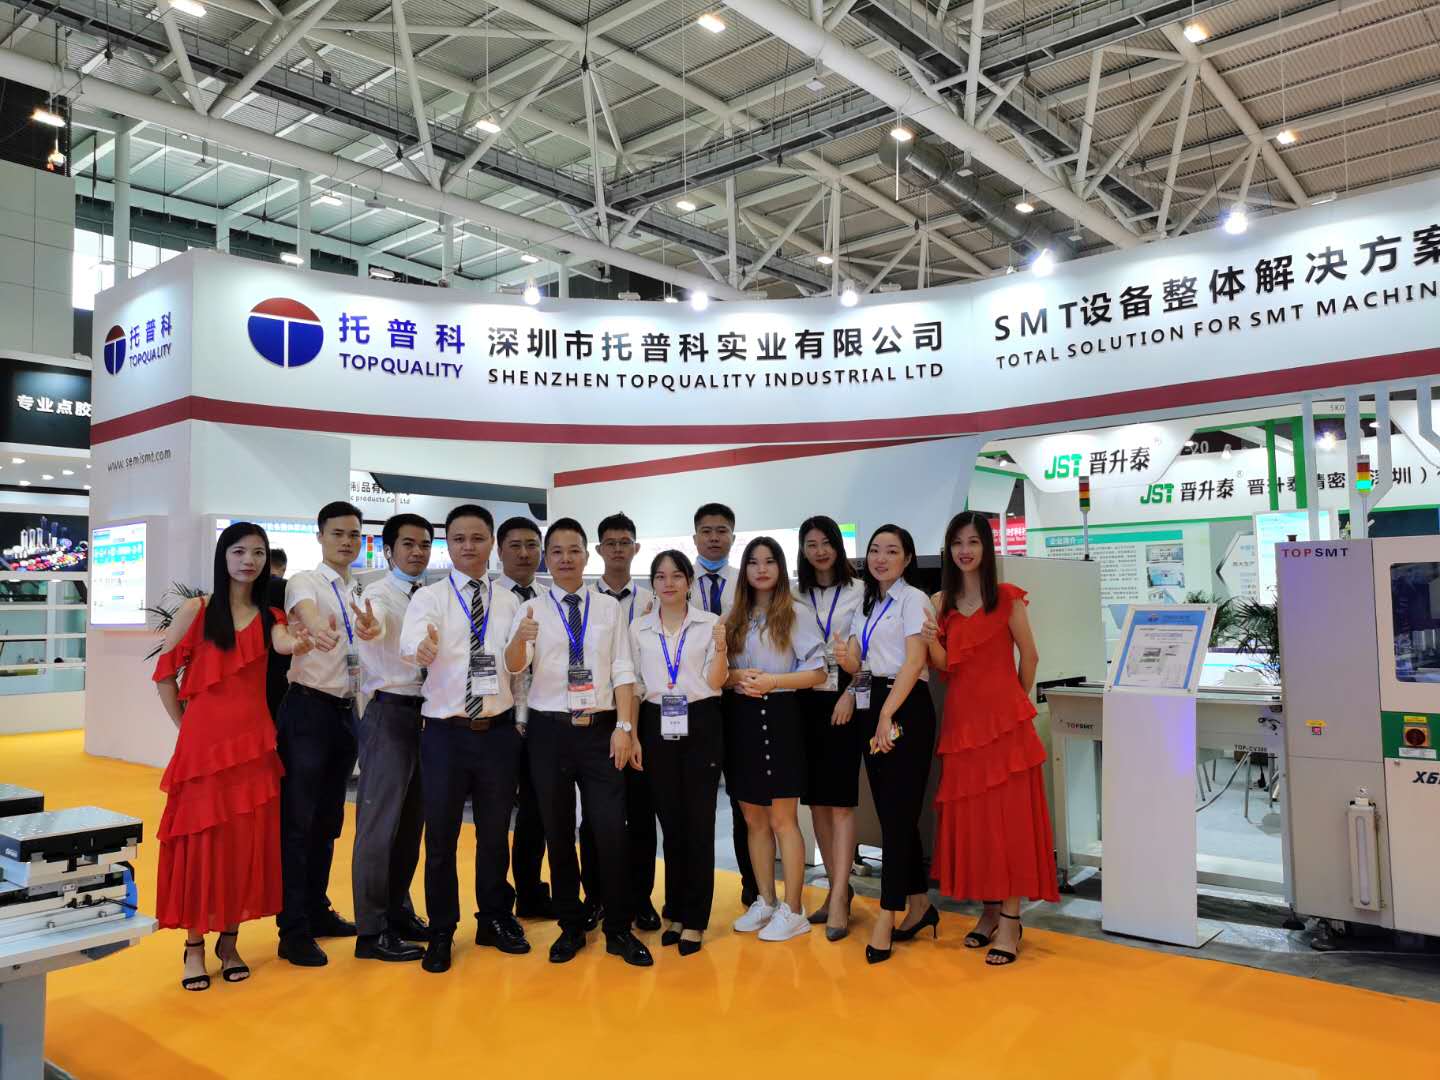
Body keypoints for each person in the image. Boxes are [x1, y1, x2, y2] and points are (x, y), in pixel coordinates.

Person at [153, 522, 312, 991]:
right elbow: (165, 676)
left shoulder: (271, 617)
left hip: (254, 745)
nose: (249, 561)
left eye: (258, 553)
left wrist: (301, 641)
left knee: (244, 842)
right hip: (203, 746)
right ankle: (194, 946)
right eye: (239, 551)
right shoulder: (197, 610)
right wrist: (185, 729)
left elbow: (285, 643)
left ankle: (229, 941)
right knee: (202, 840)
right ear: (223, 557)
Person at [503, 518, 651, 967]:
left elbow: (623, 669)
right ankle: (570, 925)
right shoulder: (531, 609)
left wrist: (625, 728)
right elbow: (514, 667)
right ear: (547, 559)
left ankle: (618, 928)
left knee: (610, 828)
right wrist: (520, 640)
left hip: (601, 729)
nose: (565, 559)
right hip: (549, 731)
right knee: (558, 830)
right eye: (557, 551)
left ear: (587, 556)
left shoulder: (607, 609)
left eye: (573, 551)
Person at [401, 505, 531, 973]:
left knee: (495, 835)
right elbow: (410, 644)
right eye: (459, 539)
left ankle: (493, 918)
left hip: (497, 734)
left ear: (491, 542)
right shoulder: (430, 598)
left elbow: (517, 667)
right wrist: (422, 649)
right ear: (448, 544)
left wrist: (520, 647)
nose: (469, 547)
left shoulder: (511, 602)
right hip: (445, 735)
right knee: (441, 837)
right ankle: (441, 929)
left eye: (477, 538)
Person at [927, 511, 1058, 967]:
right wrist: (929, 638)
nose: (965, 550)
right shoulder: (940, 602)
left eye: (973, 542)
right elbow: (943, 664)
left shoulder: (1006, 597)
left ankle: (1010, 919)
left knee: (1010, 820)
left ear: (987, 548)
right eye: (957, 543)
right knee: (977, 820)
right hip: (962, 726)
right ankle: (987, 911)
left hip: (1005, 726)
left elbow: (1030, 656)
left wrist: (1012, 706)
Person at [275, 500, 378, 968]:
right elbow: (308, 613)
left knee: (328, 820)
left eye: (354, 534)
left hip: (345, 712)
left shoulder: (359, 590)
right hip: (307, 711)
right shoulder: (305, 581)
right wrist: (317, 629)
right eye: (337, 533)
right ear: (320, 537)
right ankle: (292, 929)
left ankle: (316, 910)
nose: (346, 541)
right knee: (298, 823)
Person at [839, 524, 940, 965]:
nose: (881, 558)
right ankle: (919, 904)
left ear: (908, 558)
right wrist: (847, 664)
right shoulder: (868, 602)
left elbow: (915, 662)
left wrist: (886, 714)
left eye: (892, 551)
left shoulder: (913, 599)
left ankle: (887, 914)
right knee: (891, 813)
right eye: (875, 550)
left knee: (898, 817)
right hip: (872, 700)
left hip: (905, 706)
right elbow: (862, 664)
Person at [627, 550, 728, 955]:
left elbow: (716, 682)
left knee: (699, 822)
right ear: (653, 583)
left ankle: (696, 919)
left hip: (701, 721)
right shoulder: (639, 628)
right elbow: (635, 684)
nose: (668, 583)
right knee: (670, 823)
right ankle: (675, 911)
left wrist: (722, 649)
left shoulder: (710, 624)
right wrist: (633, 735)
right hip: (655, 722)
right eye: (660, 576)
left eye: (676, 576)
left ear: (688, 582)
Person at [725, 536, 826, 943]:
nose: (762, 569)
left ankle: (794, 908)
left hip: (782, 716)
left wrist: (773, 682)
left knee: (783, 819)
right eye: (753, 562)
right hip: (741, 718)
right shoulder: (733, 616)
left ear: (781, 569)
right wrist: (736, 677)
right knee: (753, 818)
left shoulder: (796, 613)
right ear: (745, 570)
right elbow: (717, 672)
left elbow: (818, 672)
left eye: (770, 561)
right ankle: (765, 900)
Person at [349, 513, 434, 963]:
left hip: (428, 716)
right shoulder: (377, 595)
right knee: (378, 827)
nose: (417, 552)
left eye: (424, 544)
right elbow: (374, 623)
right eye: (408, 544)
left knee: (410, 825)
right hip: (390, 713)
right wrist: (370, 627)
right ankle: (371, 931)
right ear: (388, 551)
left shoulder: (431, 595)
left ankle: (399, 912)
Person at [794, 515, 865, 941]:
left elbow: (870, 650)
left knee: (840, 802)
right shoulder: (794, 594)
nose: (819, 551)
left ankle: (839, 896)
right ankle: (838, 888)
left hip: (844, 699)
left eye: (826, 543)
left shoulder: (860, 591)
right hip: (805, 700)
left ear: (838, 546)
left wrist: (853, 693)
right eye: (811, 544)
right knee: (817, 802)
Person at [593, 511, 660, 932]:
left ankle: (641, 897)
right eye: (610, 543)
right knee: (597, 815)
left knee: (640, 810)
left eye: (625, 542)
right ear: (598, 549)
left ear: (636, 548)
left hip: (644, 717)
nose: (618, 549)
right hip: (601, 715)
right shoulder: (585, 600)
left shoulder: (654, 600)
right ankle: (598, 896)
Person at [689, 501, 757, 907]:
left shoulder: (746, 582)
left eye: (721, 531)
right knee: (693, 800)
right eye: (706, 531)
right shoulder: (678, 581)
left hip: (737, 700)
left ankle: (752, 883)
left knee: (741, 796)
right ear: (695, 536)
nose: (714, 538)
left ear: (733, 536)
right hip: (693, 702)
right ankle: (689, 892)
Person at [495, 515, 556, 921]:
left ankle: (531, 894)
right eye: (515, 545)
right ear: (499, 550)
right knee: (496, 814)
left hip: (541, 719)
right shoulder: (487, 599)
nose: (524, 553)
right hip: (498, 719)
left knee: (537, 811)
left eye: (532, 545)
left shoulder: (552, 600)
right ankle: (497, 903)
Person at [265, 547, 291, 722]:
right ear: (283, 568)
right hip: (283, 659)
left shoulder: (249, 589)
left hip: (255, 659)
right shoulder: (288, 588)